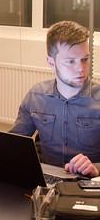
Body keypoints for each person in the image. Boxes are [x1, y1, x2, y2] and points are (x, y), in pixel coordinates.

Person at [11, 20, 100, 177]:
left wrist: (96, 168)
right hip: (45, 181)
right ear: (51, 63)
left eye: (85, 59)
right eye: (70, 61)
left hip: (88, 185)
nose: (80, 68)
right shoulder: (36, 95)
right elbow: (14, 142)